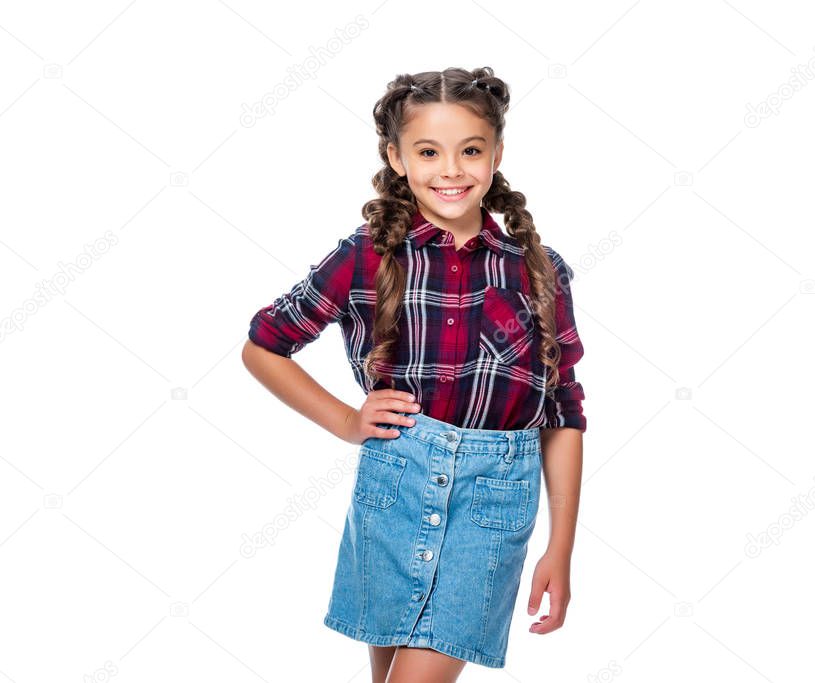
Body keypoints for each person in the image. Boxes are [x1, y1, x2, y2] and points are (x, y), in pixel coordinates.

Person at [242, 66, 587, 682]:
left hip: (495, 500)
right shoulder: (366, 257)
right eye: (428, 151)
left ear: (496, 154)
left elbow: (561, 411)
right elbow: (265, 345)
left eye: (470, 150)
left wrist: (561, 544)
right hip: (396, 484)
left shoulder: (538, 270)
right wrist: (349, 421)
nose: (451, 170)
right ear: (396, 158)